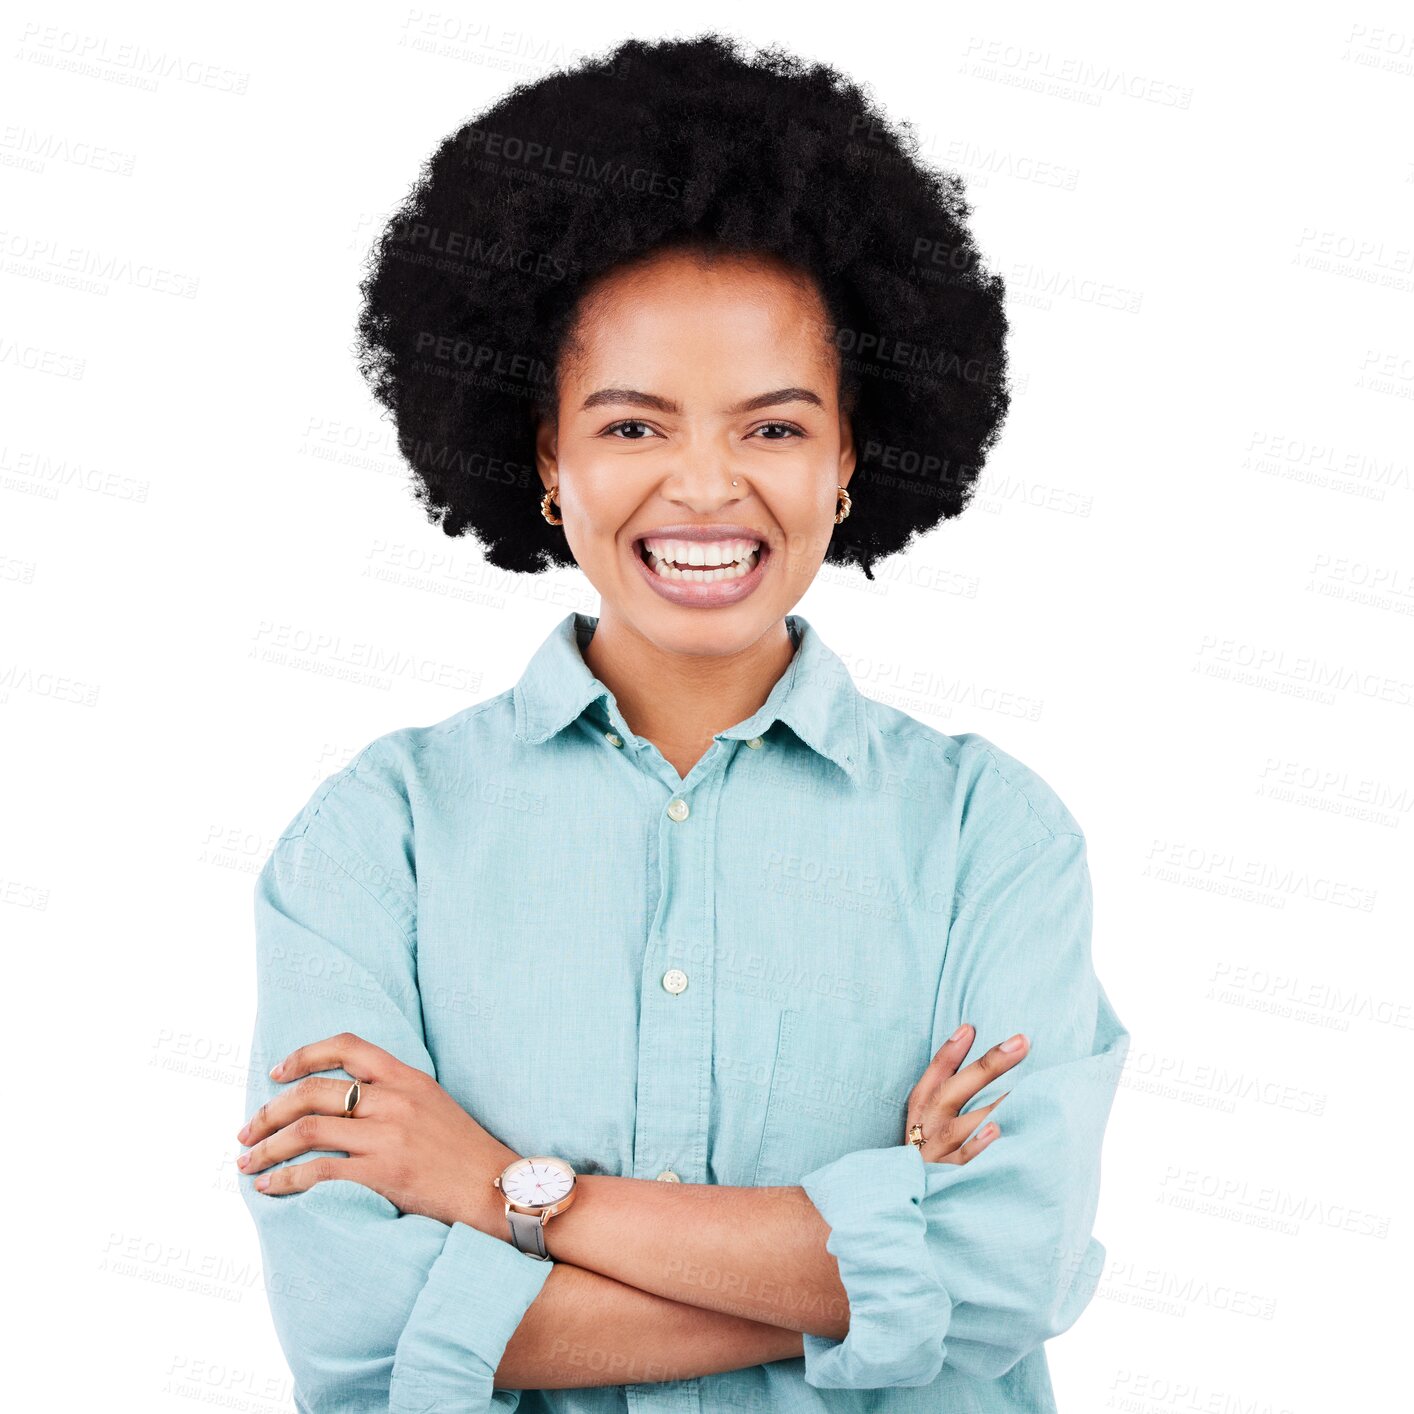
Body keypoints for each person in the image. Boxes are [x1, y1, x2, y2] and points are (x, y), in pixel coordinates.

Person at [235, 32, 1129, 1414]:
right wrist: (870, 1261)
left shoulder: (985, 836)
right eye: (633, 426)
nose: (704, 489)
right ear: (545, 458)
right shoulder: (380, 835)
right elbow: (353, 1321)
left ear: (850, 457)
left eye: (771, 429)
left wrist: (499, 1190)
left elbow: (1012, 1263)